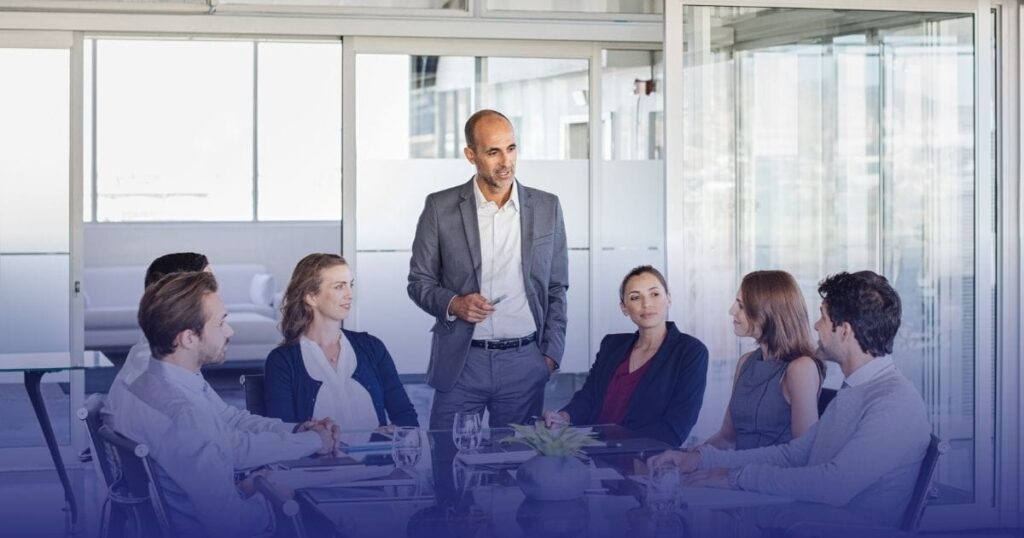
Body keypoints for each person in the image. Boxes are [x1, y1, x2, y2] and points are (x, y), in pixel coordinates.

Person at [648, 271, 930, 527]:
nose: (816, 326)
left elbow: (834, 485)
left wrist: (735, 479)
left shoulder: (894, 402)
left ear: (844, 330)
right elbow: (794, 453)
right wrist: (700, 461)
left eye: (823, 316)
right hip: (807, 522)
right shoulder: (855, 390)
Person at [111, 271, 338, 538]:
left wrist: (300, 432)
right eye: (221, 323)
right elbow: (231, 525)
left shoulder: (150, 383)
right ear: (187, 338)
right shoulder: (184, 415)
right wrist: (271, 494)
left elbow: (226, 434)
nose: (230, 331)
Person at [408, 109, 569, 430]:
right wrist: (455, 303)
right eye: (493, 152)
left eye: (511, 148)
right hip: (462, 361)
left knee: (515, 469)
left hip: (525, 362)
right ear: (471, 155)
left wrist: (551, 354)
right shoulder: (440, 207)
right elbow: (419, 282)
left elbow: (557, 287)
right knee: (448, 462)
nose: (505, 161)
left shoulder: (547, 206)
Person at [541, 266, 707, 446]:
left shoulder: (690, 352)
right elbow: (589, 398)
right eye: (635, 297)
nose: (646, 304)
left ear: (669, 298)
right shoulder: (612, 346)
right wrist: (563, 417)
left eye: (655, 294)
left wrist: (621, 450)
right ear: (624, 307)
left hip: (645, 461)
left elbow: (676, 428)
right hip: (593, 454)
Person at [264, 253, 418, 431]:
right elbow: (283, 434)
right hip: (317, 459)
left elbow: (406, 417)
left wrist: (392, 433)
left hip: (375, 458)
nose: (350, 295)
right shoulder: (282, 361)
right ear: (311, 297)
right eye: (339, 287)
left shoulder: (372, 347)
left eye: (350, 285)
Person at [702, 270, 824, 450]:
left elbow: (802, 452)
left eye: (741, 306)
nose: (731, 311)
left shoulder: (801, 368)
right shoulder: (746, 362)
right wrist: (686, 456)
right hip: (732, 471)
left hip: (767, 476)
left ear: (768, 313)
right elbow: (727, 438)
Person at [104, 252, 210, 420]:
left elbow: (222, 418)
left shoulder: (169, 350)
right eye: (207, 287)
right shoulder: (160, 367)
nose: (216, 295)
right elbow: (210, 438)